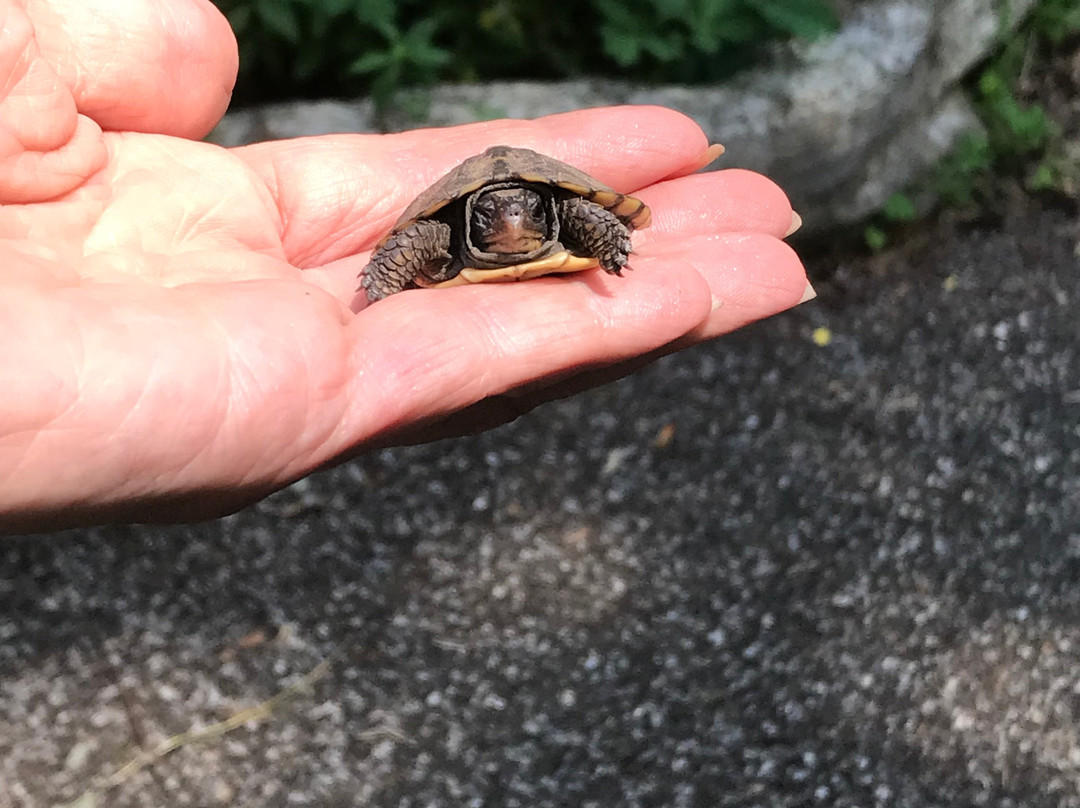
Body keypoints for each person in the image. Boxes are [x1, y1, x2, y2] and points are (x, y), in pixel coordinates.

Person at [0, 0, 811, 534]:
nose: (511, 220)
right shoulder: (448, 233)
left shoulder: (559, 213)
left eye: (523, 212)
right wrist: (387, 275)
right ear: (474, 221)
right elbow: (413, 237)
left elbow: (590, 210)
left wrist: (604, 234)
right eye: (494, 214)